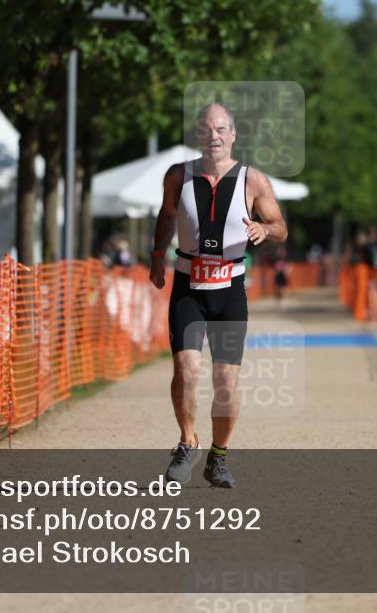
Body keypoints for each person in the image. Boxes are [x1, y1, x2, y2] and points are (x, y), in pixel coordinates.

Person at [149, 103, 287, 488]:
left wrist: (264, 229)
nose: (215, 136)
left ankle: (219, 457)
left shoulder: (253, 180)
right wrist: (157, 256)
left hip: (229, 290)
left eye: (222, 129)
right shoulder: (178, 176)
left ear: (233, 134)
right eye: (207, 130)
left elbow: (281, 227)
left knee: (226, 380)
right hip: (187, 287)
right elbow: (166, 215)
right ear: (198, 135)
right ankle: (186, 442)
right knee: (186, 370)